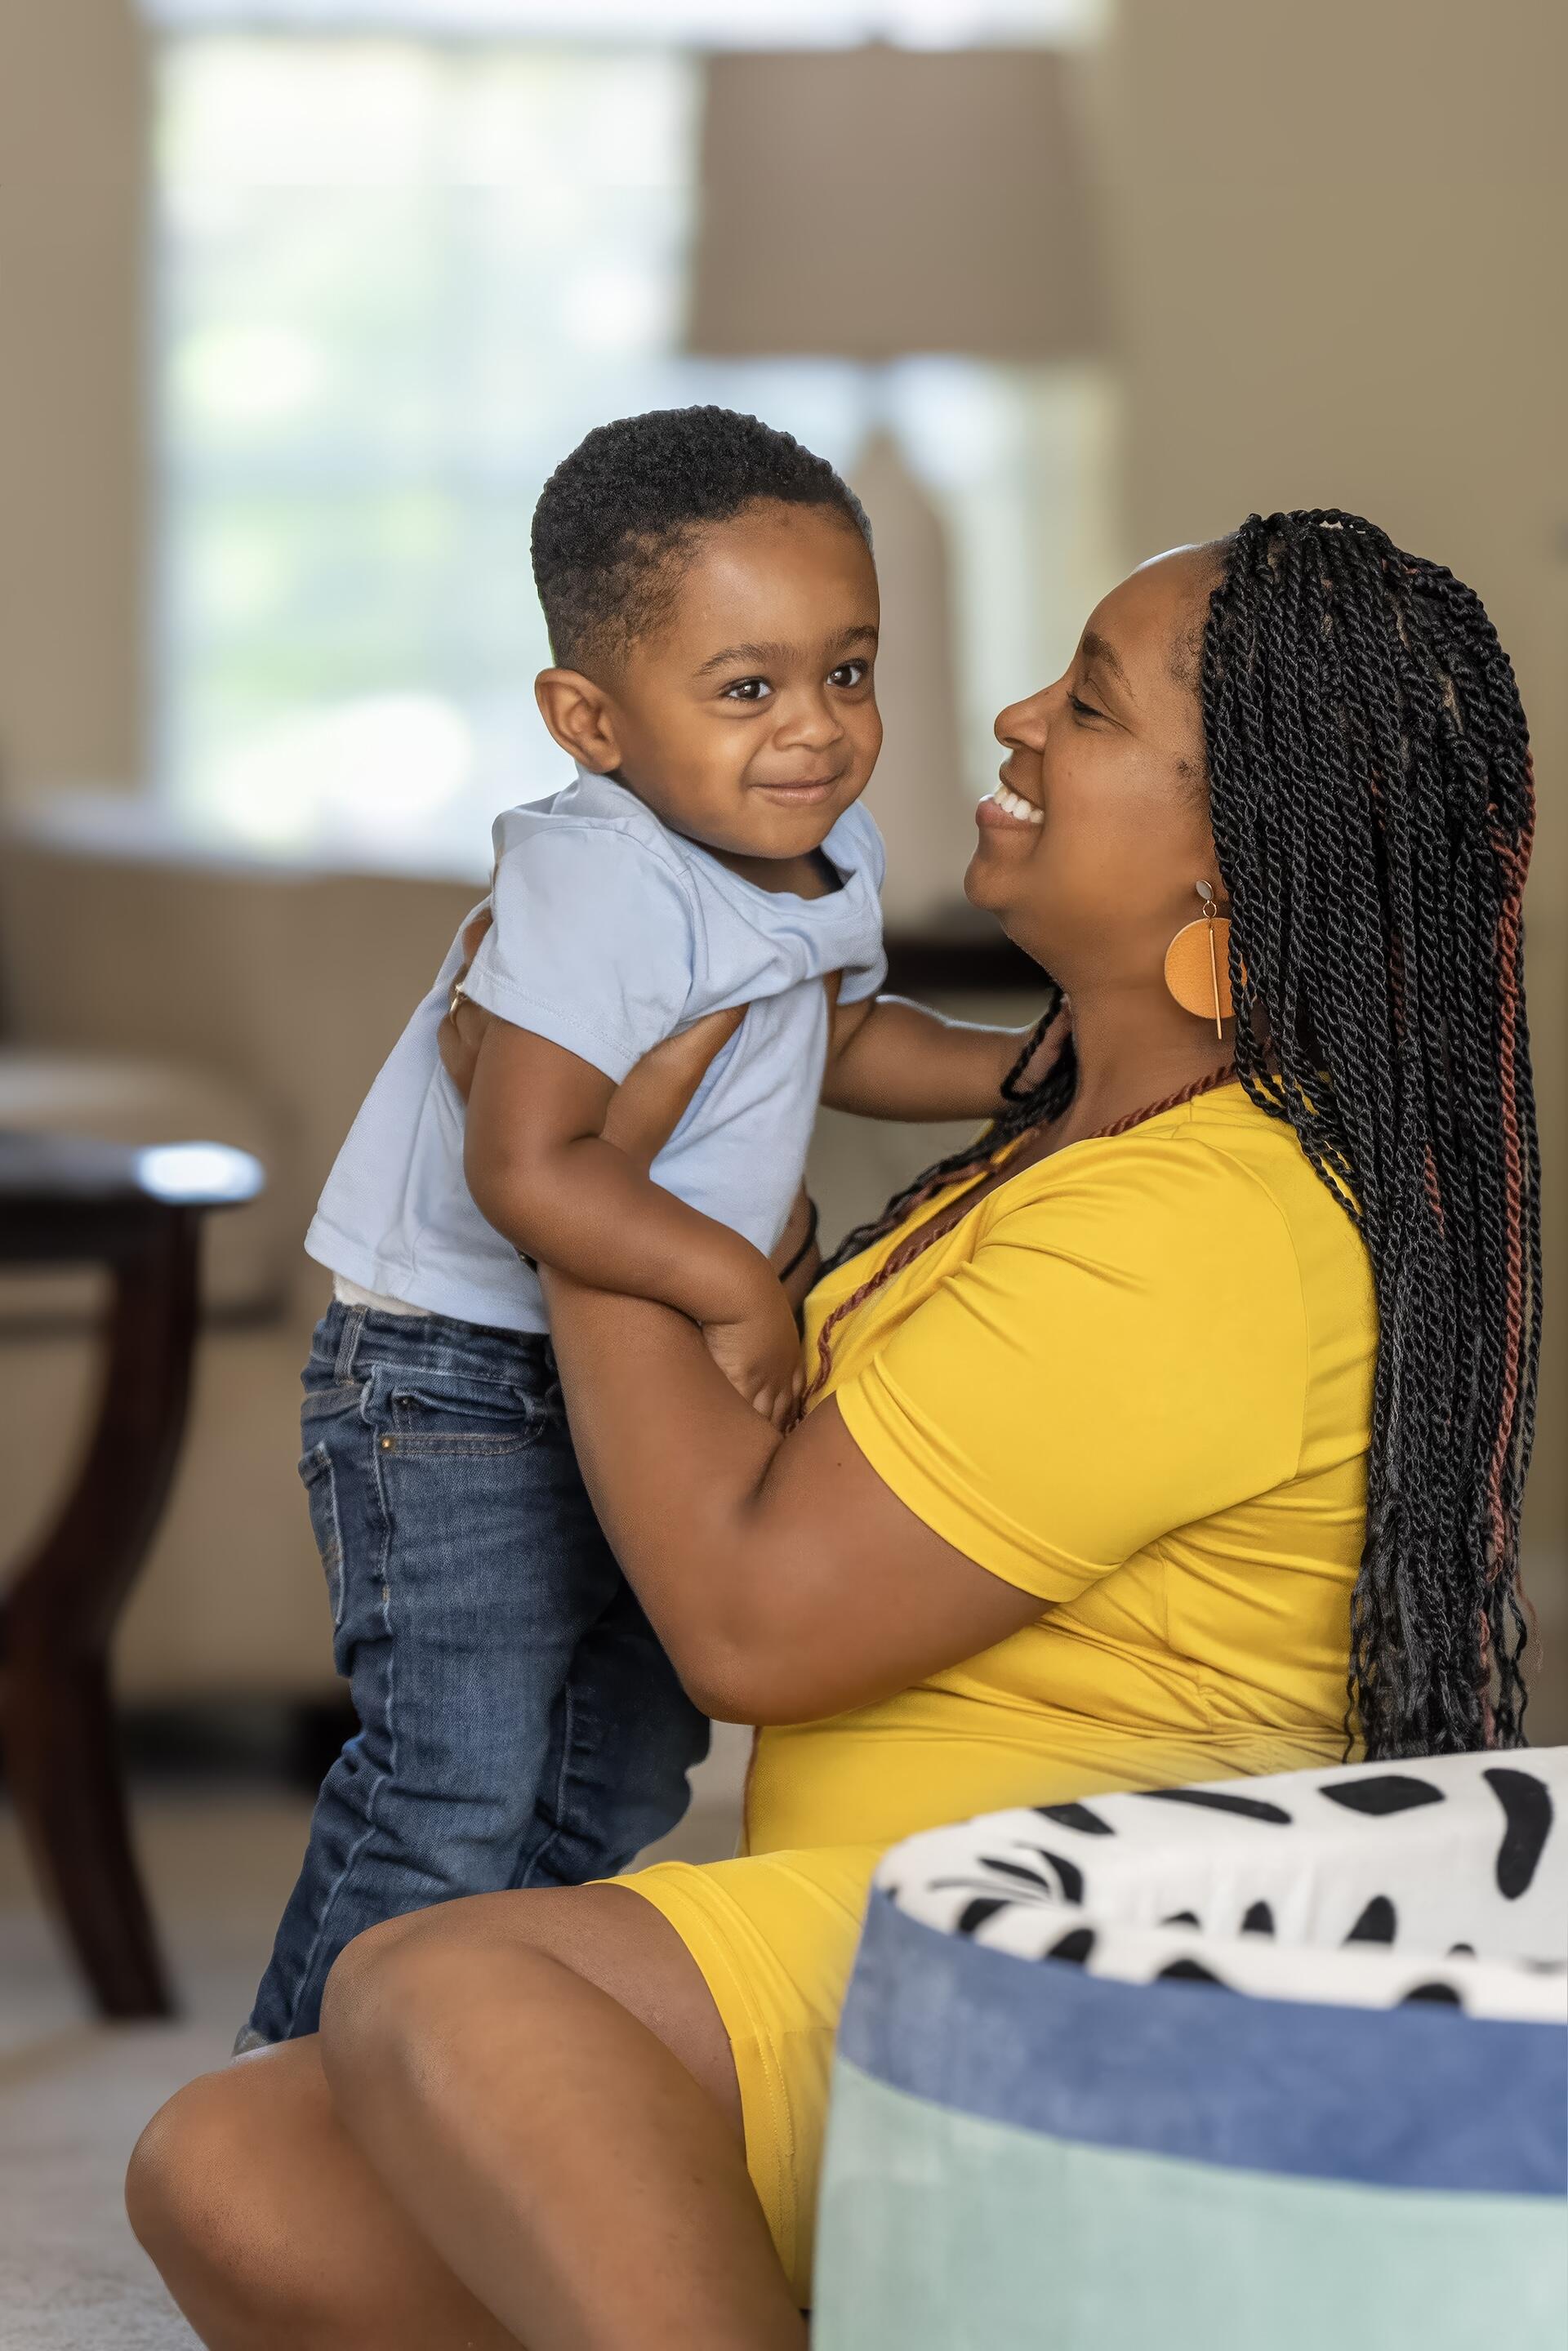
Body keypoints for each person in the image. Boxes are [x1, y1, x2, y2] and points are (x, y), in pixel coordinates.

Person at [129, 511, 1540, 2350]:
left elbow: (749, 1617)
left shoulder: (1212, 1223)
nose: (1018, 720)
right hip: (888, 1916)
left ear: (1234, 861)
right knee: (229, 2169)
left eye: (1093, 708)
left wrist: (575, 1196)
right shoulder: (1086, 1157)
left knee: (438, 1985)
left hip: (1064, 1958)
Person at [241, 404, 1038, 2050]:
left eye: (850, 670)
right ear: (590, 718)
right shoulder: (596, 878)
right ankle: (293, 2106)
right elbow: (527, 1168)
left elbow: (842, 1037)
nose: (814, 731)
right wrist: (732, 1291)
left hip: (633, 1366)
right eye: (745, 689)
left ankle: (464, 2066)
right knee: (452, 1777)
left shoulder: (819, 845)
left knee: (622, 1767)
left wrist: (1030, 1068)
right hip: (453, 1381)